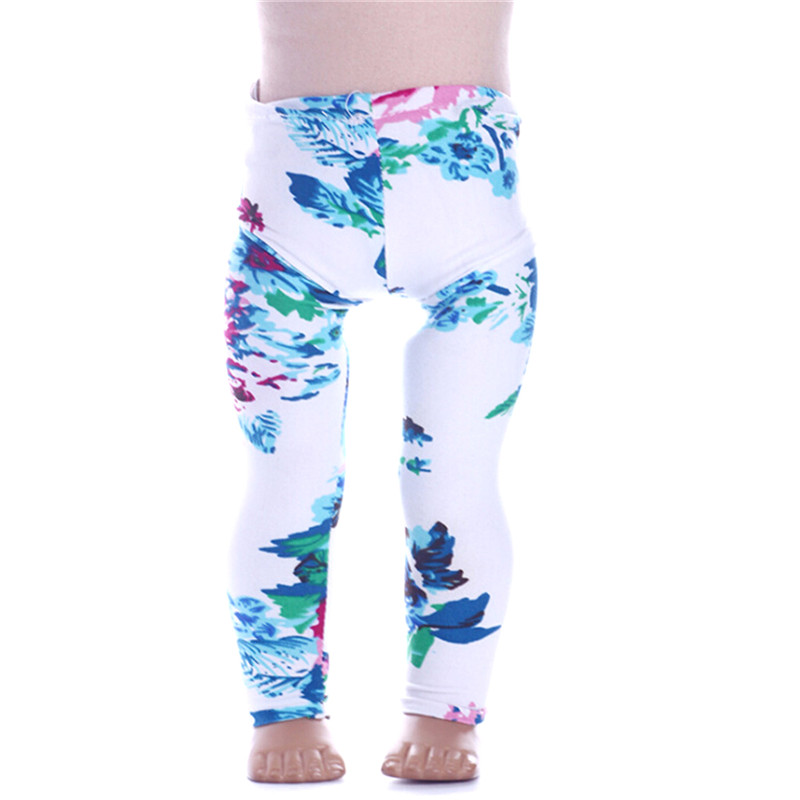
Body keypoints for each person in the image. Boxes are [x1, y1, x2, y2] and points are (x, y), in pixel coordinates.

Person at [223, 0, 538, 783]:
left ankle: (444, 707)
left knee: (453, 479)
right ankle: (284, 709)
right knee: (290, 482)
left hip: (471, 234)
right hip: (297, 226)